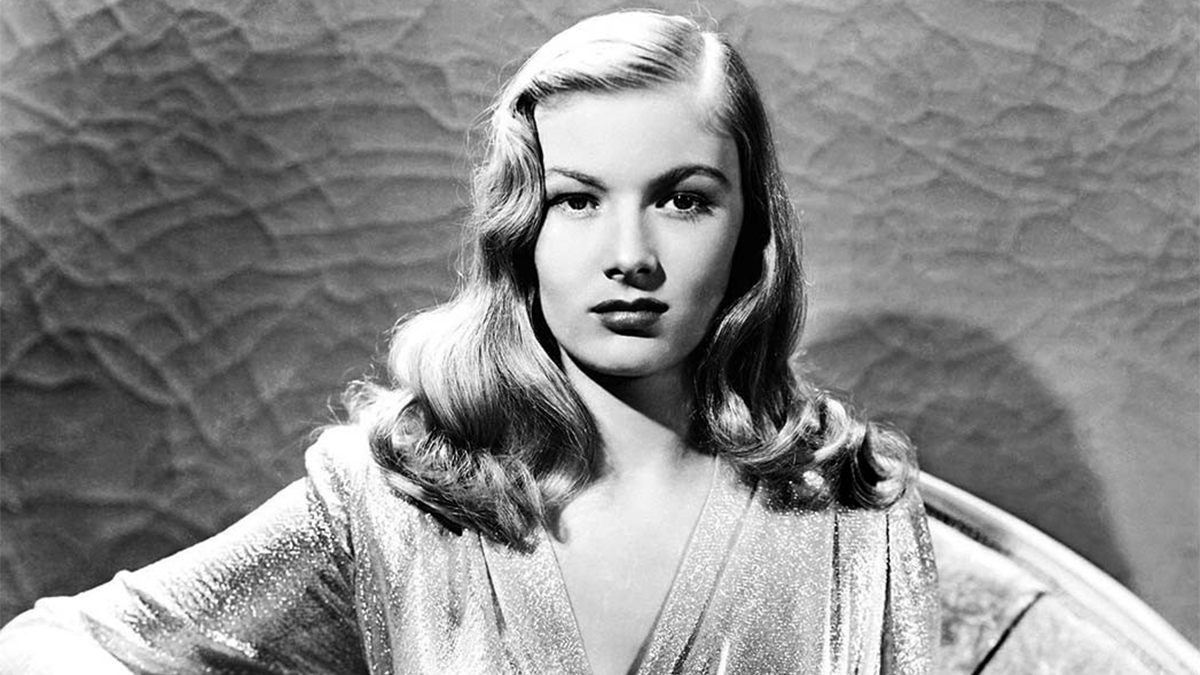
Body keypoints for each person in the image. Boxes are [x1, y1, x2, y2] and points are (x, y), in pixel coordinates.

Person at [0, 10, 938, 674]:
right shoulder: (397, 497)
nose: (630, 256)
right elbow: (51, 650)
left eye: (683, 199)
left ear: (750, 230)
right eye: (578, 200)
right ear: (520, 228)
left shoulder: (853, 512)